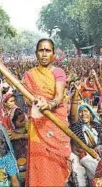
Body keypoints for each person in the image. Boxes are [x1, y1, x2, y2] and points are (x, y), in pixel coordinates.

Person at [23, 38, 71, 186]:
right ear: (36, 53)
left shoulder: (58, 72)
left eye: (47, 50)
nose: (44, 54)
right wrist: (35, 101)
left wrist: (49, 104)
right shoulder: (30, 75)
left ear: (53, 54)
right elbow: (26, 100)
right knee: (40, 161)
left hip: (56, 125)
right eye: (41, 50)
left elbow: (59, 97)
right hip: (38, 127)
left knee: (54, 162)